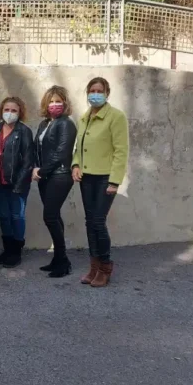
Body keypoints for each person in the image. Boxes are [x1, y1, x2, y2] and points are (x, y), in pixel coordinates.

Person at [72, 77, 129, 288]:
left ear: (107, 93)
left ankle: (105, 266)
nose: (95, 94)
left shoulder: (116, 116)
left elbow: (121, 151)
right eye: (92, 90)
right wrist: (75, 165)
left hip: (105, 178)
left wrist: (115, 181)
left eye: (99, 90)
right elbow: (78, 147)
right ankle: (94, 266)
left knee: (98, 221)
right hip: (86, 177)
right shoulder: (84, 118)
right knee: (90, 222)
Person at [32, 86, 77, 278]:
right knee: (55, 216)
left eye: (58, 101)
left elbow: (61, 153)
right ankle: (58, 258)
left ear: (65, 103)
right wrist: (36, 168)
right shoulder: (44, 124)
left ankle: (63, 261)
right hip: (45, 176)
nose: (54, 104)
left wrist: (41, 171)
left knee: (49, 216)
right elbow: (37, 148)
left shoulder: (66, 123)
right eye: (51, 101)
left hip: (60, 175)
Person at [0, 97, 34, 269]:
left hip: (17, 182)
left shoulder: (24, 131)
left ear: (20, 112)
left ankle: (16, 252)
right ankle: (7, 250)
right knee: (4, 216)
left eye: (14, 110)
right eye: (6, 110)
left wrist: (19, 184)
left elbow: (28, 161)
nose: (9, 113)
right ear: (1, 111)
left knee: (17, 216)